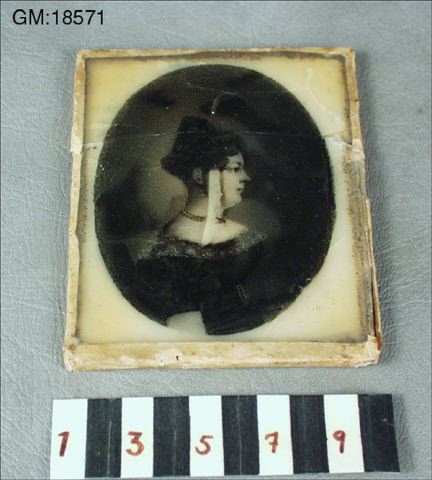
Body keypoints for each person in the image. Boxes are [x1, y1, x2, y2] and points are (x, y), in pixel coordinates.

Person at [134, 116, 267, 335]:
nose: (246, 177)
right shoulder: (166, 249)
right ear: (199, 176)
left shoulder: (248, 236)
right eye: (235, 169)